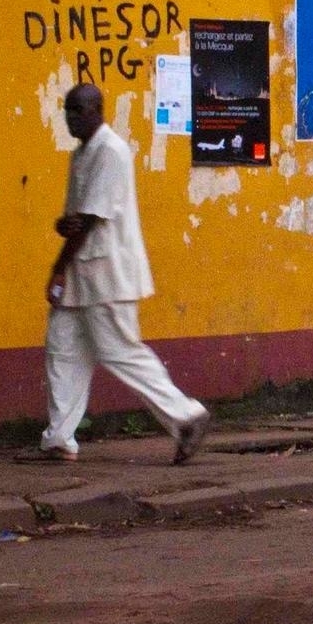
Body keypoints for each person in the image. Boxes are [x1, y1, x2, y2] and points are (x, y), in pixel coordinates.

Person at [34, 83, 211, 464]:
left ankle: (186, 415)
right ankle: (60, 438)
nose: (71, 118)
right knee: (63, 349)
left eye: (78, 110)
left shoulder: (110, 151)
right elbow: (80, 219)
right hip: (87, 273)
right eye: (68, 110)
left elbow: (91, 220)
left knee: (120, 351)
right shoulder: (83, 153)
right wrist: (67, 228)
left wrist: (58, 268)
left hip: (107, 273)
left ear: (98, 109)